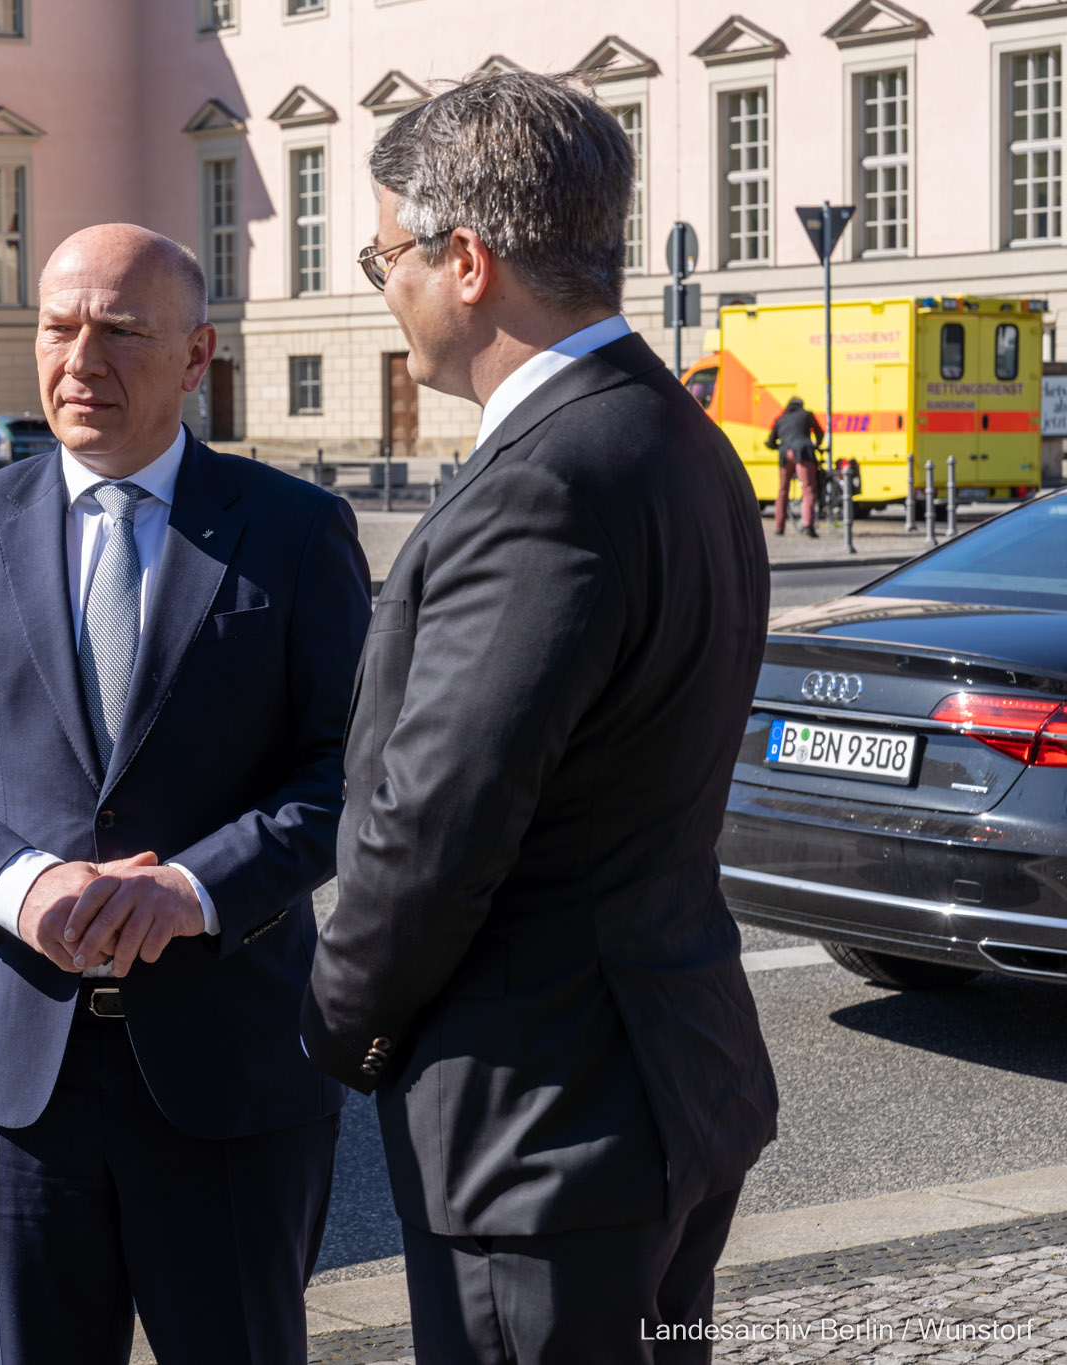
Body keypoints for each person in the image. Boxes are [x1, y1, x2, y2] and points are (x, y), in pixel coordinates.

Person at [302, 73, 779, 1363]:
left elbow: (434, 828)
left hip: (541, 1123)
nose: (378, 283)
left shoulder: (546, 482)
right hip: (666, 1081)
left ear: (466, 260)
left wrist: (335, 1024)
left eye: (386, 252)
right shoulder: (674, 436)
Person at [0, 224, 371, 1365]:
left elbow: (353, 773)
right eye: (57, 326)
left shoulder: (292, 532)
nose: (80, 359)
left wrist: (194, 887)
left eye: (120, 332)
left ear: (195, 357)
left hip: (230, 1074)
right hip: (13, 1083)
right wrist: (18, 883)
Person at [766, 395, 825, 536]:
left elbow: (770, 442)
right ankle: (808, 524)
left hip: (785, 454)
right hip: (804, 453)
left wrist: (779, 447)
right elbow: (820, 433)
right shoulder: (807, 415)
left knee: (782, 490)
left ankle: (779, 527)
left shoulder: (781, 419)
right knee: (808, 488)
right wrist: (816, 445)